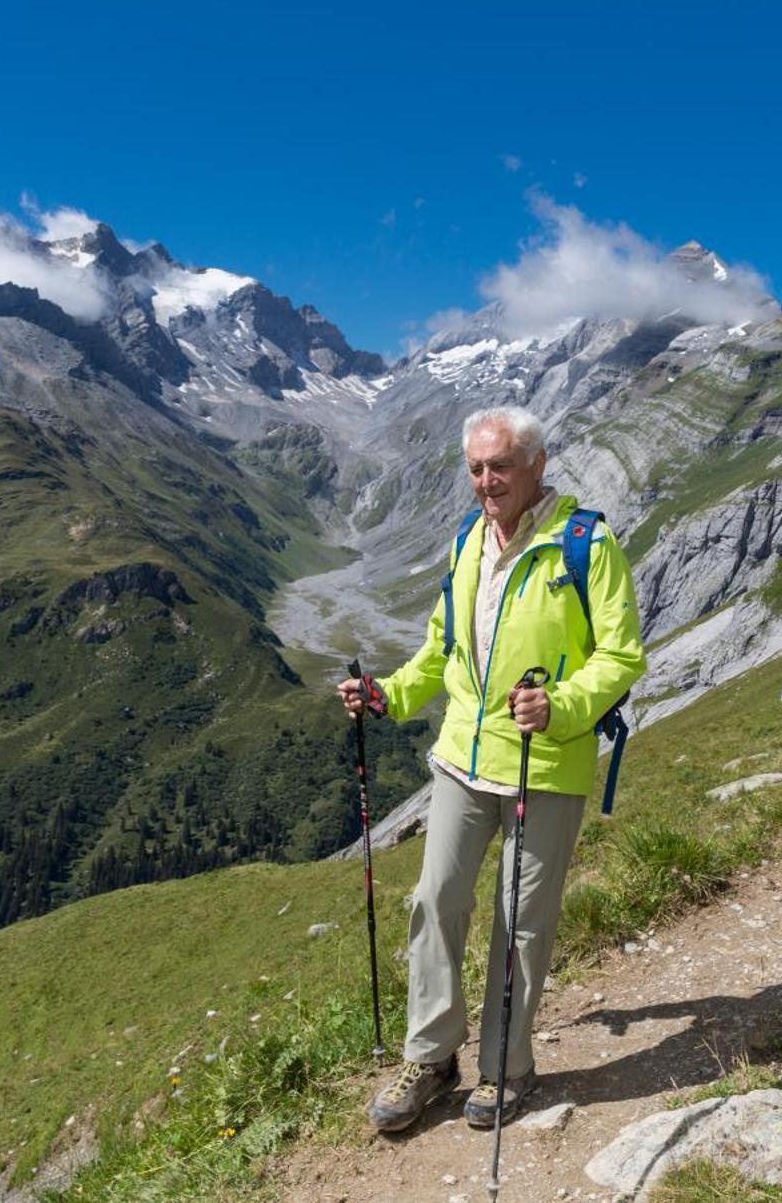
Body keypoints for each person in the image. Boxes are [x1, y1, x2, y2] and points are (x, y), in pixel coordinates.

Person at [337, 404, 646, 1134]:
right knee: (435, 898)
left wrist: (561, 704)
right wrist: (389, 695)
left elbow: (623, 653)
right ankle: (431, 1057)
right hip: (461, 760)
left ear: (536, 464)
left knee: (520, 924)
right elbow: (443, 651)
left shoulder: (586, 543)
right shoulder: (469, 542)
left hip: (546, 763)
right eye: (476, 468)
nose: (486, 481)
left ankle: (507, 1067)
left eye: (499, 465)